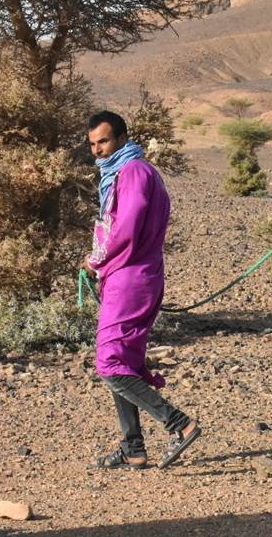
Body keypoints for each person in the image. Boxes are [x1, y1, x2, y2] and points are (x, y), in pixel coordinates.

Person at [84, 111, 201, 469]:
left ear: (121, 138)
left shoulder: (134, 171)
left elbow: (128, 228)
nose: (98, 151)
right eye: (92, 144)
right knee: (125, 362)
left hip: (131, 278)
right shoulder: (123, 173)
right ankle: (133, 447)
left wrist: (94, 259)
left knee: (108, 363)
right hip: (127, 276)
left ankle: (179, 424)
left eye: (103, 142)